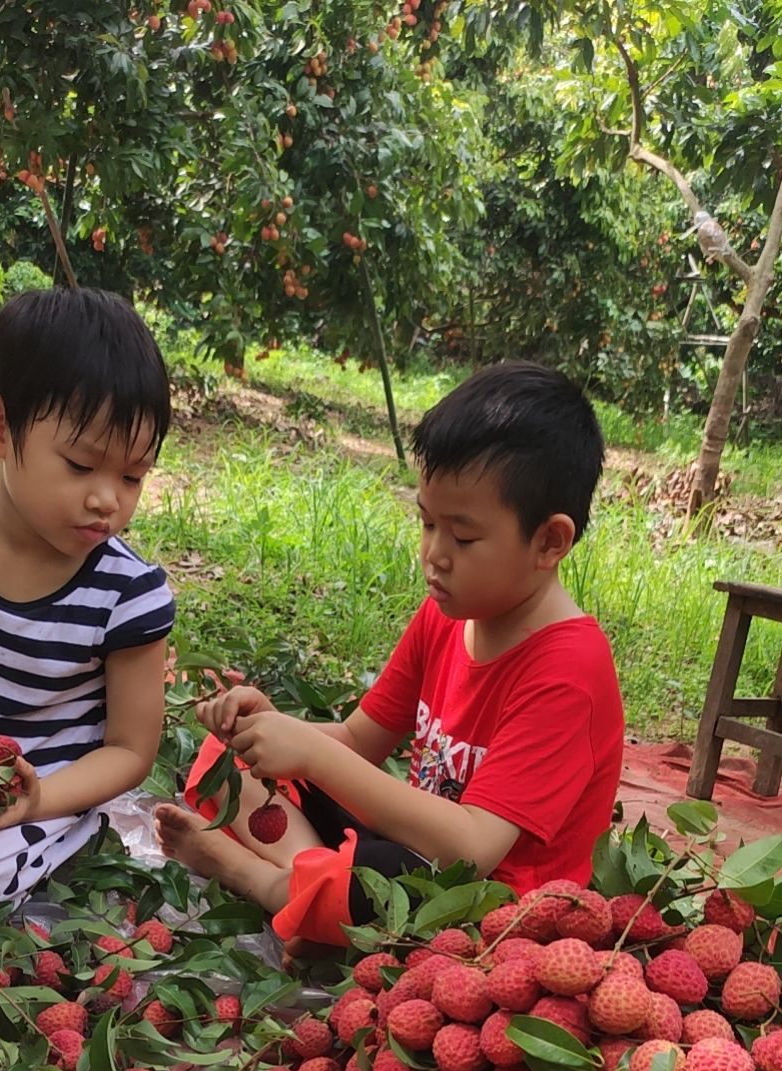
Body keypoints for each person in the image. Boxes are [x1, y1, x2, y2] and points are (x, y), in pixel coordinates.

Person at [156, 360, 624, 949]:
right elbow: (357, 742)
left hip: (482, 906)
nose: (435, 554)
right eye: (427, 524)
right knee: (228, 757)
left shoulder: (567, 670)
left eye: (464, 536)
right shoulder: (444, 617)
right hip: (418, 845)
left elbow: (475, 851)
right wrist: (274, 730)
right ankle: (310, 881)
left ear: (549, 542)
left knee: (382, 876)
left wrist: (314, 758)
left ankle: (259, 878)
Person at [0, 286, 174, 911]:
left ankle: (70, 838)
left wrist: (41, 798)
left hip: (33, 792)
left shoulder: (127, 595)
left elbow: (130, 749)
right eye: (82, 466)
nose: (108, 498)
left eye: (133, 475)